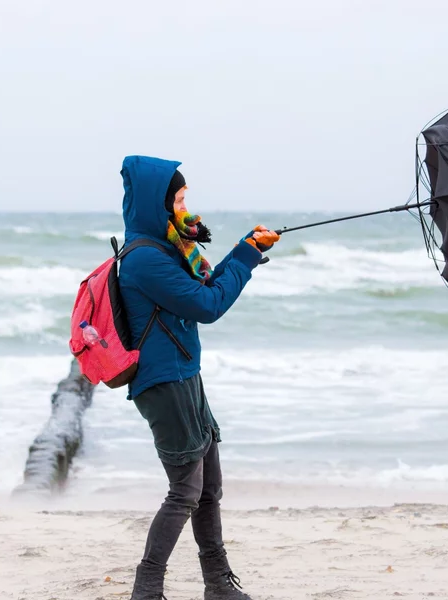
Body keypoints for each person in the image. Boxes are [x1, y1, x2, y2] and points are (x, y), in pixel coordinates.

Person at [117, 156, 280, 600]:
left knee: (209, 490)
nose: (187, 208)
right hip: (164, 383)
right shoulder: (145, 259)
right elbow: (208, 308)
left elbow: (204, 288)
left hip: (185, 375)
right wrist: (245, 258)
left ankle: (218, 586)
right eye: (180, 199)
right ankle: (146, 590)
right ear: (159, 204)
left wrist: (248, 249)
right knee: (185, 492)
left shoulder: (168, 248)